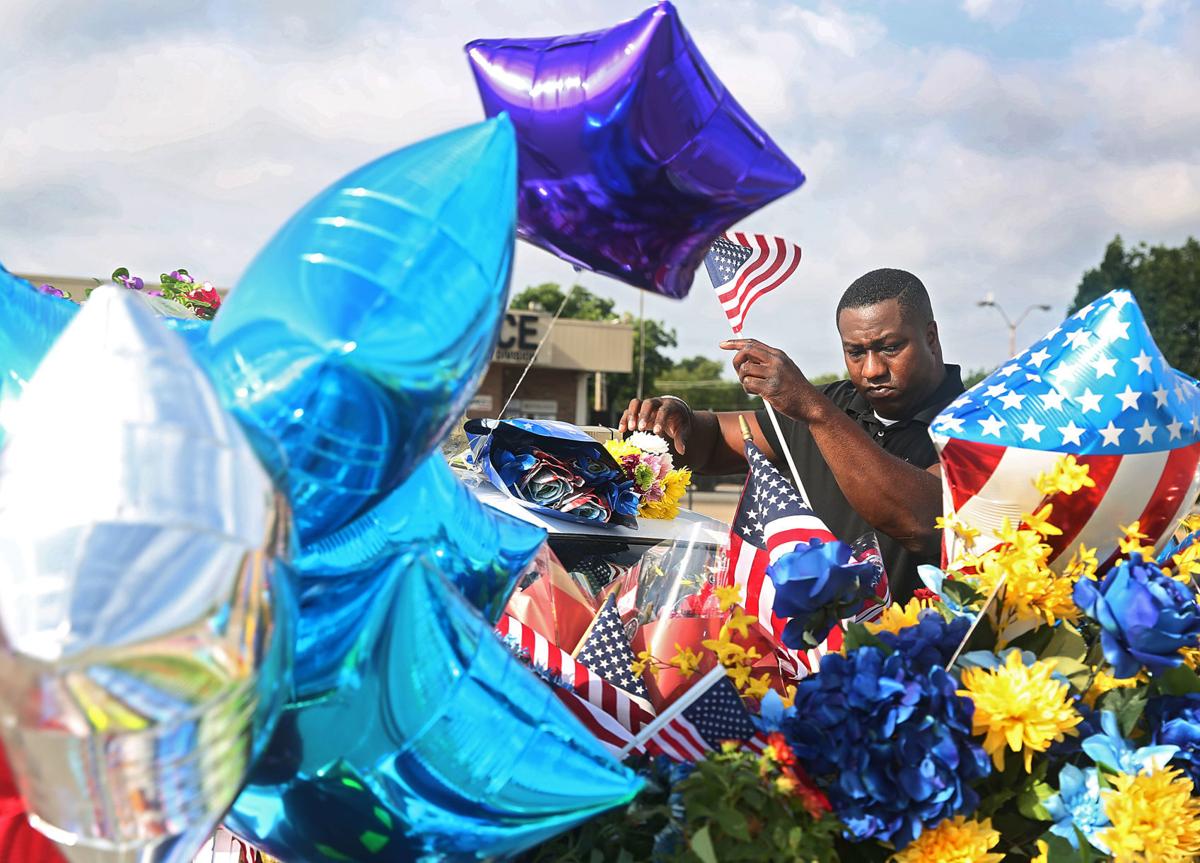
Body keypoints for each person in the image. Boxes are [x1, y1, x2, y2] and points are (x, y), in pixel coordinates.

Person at [619, 268, 964, 601]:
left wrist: (816, 413)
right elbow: (712, 445)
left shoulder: (971, 424)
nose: (872, 370)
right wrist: (676, 418)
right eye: (856, 352)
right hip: (812, 638)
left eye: (889, 347)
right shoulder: (834, 404)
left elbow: (919, 524)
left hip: (921, 639)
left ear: (931, 337)